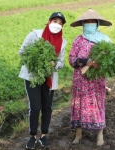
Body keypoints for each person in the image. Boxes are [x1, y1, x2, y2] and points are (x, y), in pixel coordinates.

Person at [18, 12, 67, 149]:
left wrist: (54, 64)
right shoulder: (35, 35)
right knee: (35, 107)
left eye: (60, 23)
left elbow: (61, 62)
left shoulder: (62, 42)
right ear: (49, 21)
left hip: (49, 78)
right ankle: (33, 135)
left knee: (47, 107)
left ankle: (44, 135)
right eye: (55, 21)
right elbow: (22, 51)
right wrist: (37, 59)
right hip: (33, 76)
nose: (57, 25)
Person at [69, 8, 112, 146]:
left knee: (97, 104)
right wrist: (84, 61)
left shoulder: (105, 40)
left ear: (97, 23)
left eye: (92, 21)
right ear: (83, 24)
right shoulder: (78, 40)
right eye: (87, 21)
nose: (90, 23)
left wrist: (101, 64)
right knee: (79, 105)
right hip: (80, 80)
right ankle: (78, 133)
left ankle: (100, 134)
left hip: (97, 79)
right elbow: (71, 59)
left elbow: (111, 61)